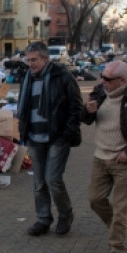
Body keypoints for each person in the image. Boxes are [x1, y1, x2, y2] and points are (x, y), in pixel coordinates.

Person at [81, 61, 127, 253]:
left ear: (122, 80)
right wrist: (88, 110)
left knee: (121, 207)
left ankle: (117, 249)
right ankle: (119, 227)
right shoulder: (99, 92)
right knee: (95, 199)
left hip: (124, 160)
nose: (103, 81)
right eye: (102, 76)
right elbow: (85, 120)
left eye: (108, 79)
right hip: (100, 157)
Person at [16, 42, 83, 237]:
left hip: (56, 138)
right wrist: (23, 130)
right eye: (28, 60)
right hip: (34, 137)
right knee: (39, 183)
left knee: (52, 179)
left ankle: (65, 214)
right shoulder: (27, 78)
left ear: (46, 58)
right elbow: (24, 108)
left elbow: (76, 108)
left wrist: (66, 134)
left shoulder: (62, 77)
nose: (31, 64)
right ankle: (43, 219)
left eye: (34, 60)